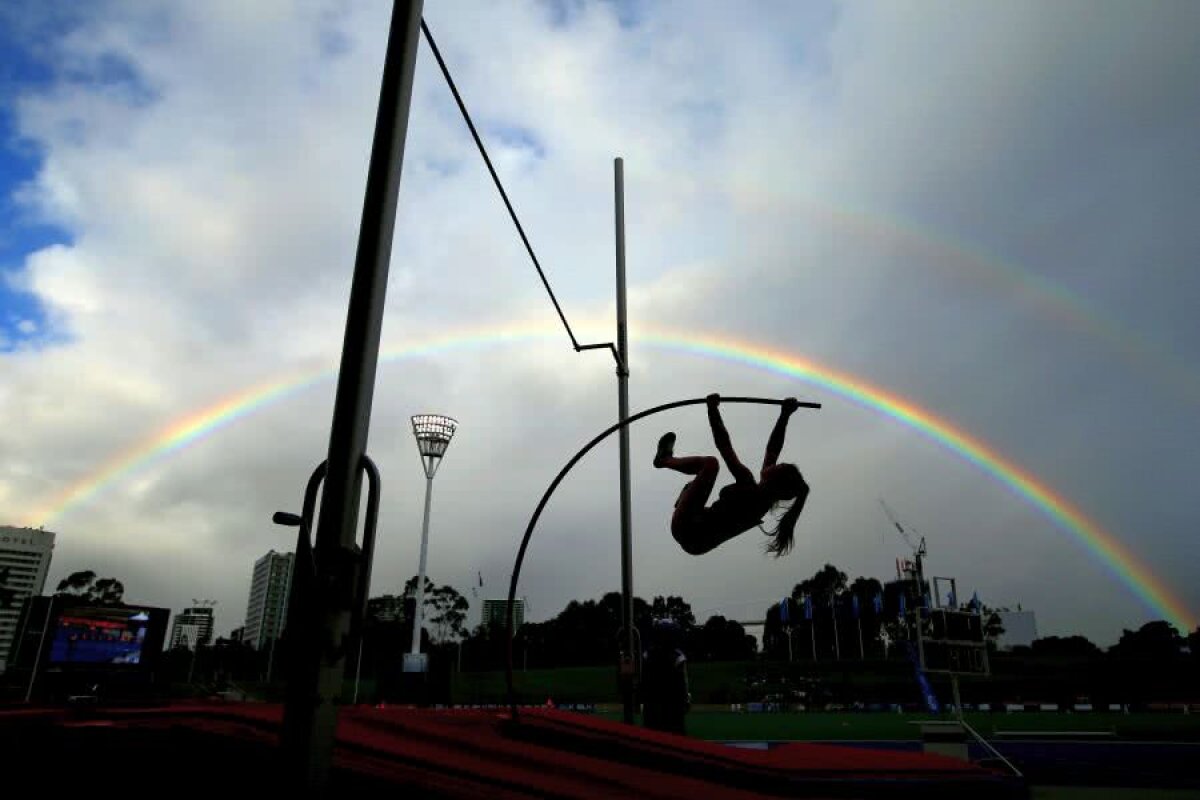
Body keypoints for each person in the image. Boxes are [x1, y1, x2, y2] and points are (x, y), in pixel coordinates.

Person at [655, 393, 808, 557]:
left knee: (710, 464)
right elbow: (773, 450)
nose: (774, 464)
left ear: (774, 483)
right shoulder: (764, 498)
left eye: (778, 467)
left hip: (687, 528)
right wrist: (785, 415)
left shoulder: (750, 490)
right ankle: (685, 494)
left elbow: (724, 446)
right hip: (697, 539)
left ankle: (664, 460)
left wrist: (712, 410)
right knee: (693, 486)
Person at [640, 618, 690, 735]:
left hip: (654, 705)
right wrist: (686, 700)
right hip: (671, 705)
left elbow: (644, 680)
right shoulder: (678, 656)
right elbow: (683, 683)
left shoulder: (647, 655)